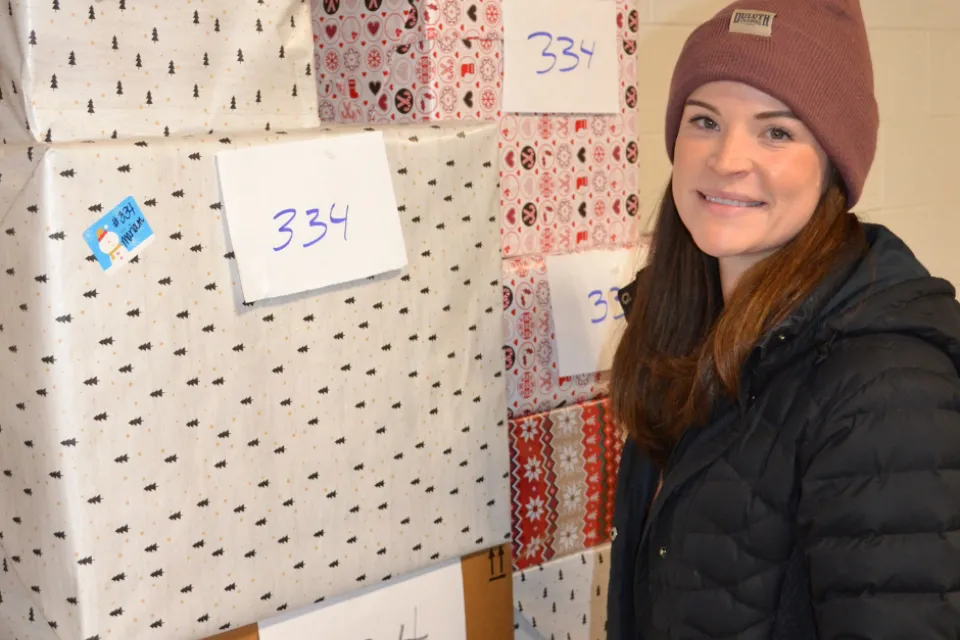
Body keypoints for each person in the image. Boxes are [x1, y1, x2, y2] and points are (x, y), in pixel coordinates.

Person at [606, 0, 960, 638]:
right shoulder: (684, 339)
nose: (727, 158)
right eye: (704, 120)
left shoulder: (887, 389)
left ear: (833, 165)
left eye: (777, 131)